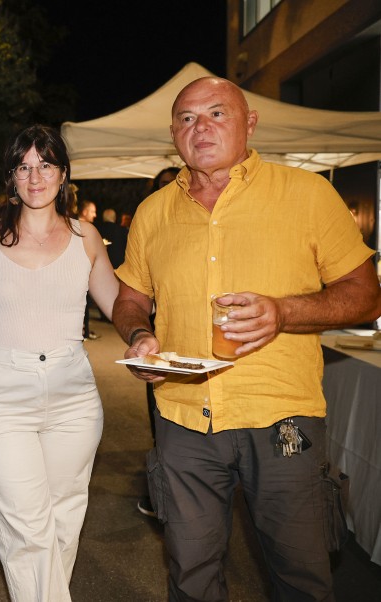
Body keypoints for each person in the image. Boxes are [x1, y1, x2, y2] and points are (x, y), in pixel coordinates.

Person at [113, 77, 381, 601]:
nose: (201, 127)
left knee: (300, 577)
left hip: (281, 416)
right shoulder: (153, 212)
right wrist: (140, 334)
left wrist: (283, 312)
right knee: (191, 576)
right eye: (187, 118)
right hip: (183, 418)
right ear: (173, 133)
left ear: (250, 123)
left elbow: (367, 296)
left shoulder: (306, 193)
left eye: (217, 113)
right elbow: (130, 298)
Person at [0, 125, 118, 601]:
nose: (35, 177)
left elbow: (121, 306)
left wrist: (150, 331)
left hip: (74, 395)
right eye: (24, 166)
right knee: (27, 529)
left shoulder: (85, 237)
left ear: (63, 174)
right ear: (11, 177)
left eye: (46, 165)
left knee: (63, 523)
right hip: (2, 397)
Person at [134, 165, 180, 519]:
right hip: (160, 337)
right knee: (160, 412)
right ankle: (161, 486)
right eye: (162, 184)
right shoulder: (150, 221)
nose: (169, 189)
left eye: (174, 183)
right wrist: (139, 331)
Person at [78, 199, 100, 339]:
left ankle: (84, 332)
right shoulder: (83, 228)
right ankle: (82, 332)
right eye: (93, 211)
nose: (95, 215)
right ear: (85, 212)